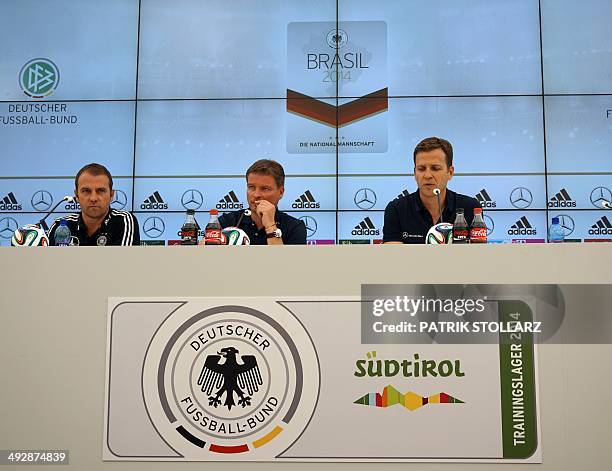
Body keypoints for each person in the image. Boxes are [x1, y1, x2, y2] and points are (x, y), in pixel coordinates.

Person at [383, 137, 481, 244]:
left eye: (435, 168)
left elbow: (477, 255)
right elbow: (393, 258)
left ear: (450, 172)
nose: (427, 175)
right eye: (421, 169)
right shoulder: (396, 209)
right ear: (415, 173)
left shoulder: (470, 207)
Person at [48, 163, 140, 246]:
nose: (93, 198)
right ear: (77, 196)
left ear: (111, 195)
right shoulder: (61, 226)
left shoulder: (123, 221)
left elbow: (123, 263)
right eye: (86, 191)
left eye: (101, 191)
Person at [219, 159, 306, 245]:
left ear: (280, 192)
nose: (256, 195)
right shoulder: (226, 222)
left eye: (265, 189)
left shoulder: (295, 227)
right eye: (251, 187)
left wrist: (270, 226)